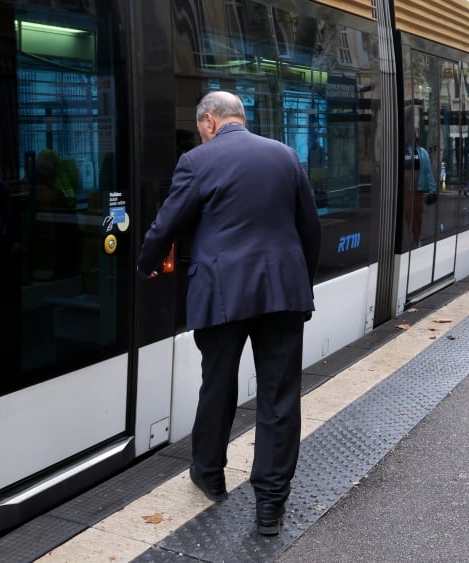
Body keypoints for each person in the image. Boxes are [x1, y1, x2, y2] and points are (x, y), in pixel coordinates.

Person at [137, 90, 322, 537]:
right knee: (279, 398)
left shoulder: (197, 162)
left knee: (217, 385)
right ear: (239, 117)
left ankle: (210, 474)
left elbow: (169, 222)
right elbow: (309, 226)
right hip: (283, 292)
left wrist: (145, 264)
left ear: (209, 122)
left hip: (222, 294)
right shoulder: (284, 155)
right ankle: (270, 508)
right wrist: (298, 277)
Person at [404, 134, 437, 244]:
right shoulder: (403, 151)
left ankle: (416, 236)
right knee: (409, 213)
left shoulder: (423, 152)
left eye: (416, 134)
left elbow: (428, 171)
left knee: (418, 212)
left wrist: (433, 189)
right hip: (406, 189)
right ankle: (414, 236)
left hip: (418, 188)